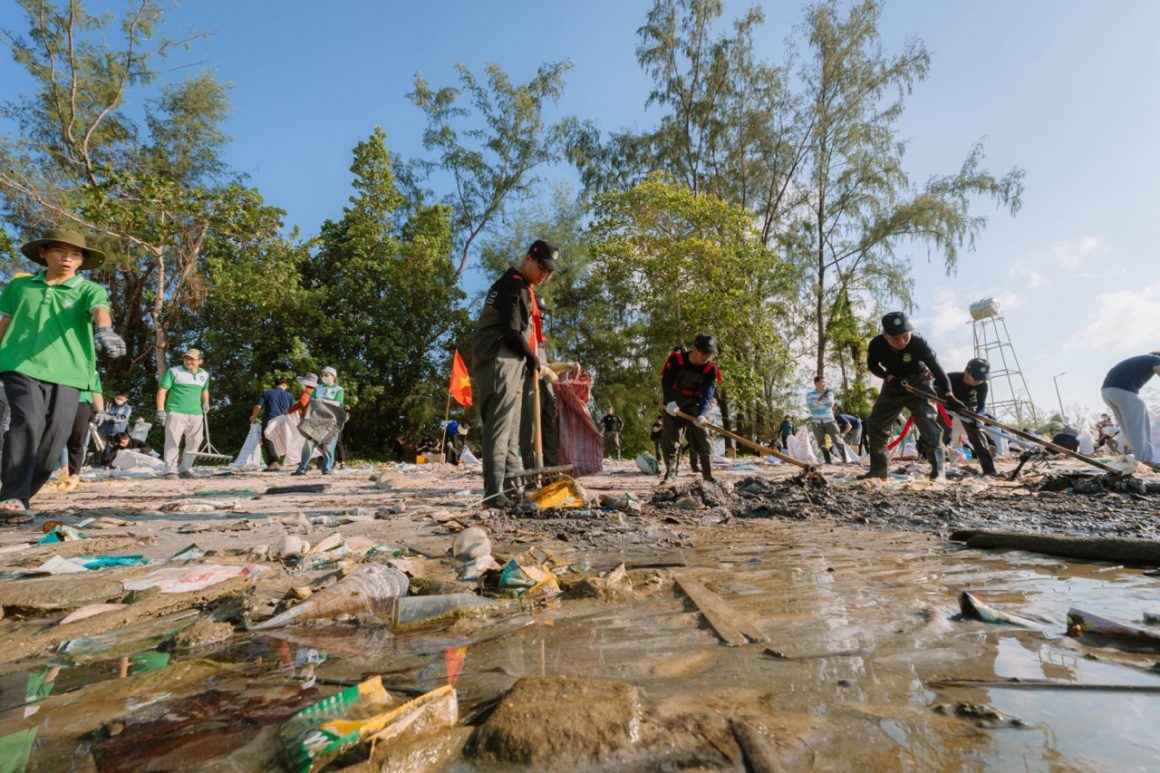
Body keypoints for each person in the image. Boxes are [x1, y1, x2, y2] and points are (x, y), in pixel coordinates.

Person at [0, 228, 125, 520]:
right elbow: (5, 322)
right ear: (44, 253)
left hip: (69, 371)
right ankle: (12, 495)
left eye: (75, 254)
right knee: (27, 422)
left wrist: (105, 330)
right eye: (59, 251)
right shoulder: (20, 287)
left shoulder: (88, 289)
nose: (67, 258)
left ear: (82, 260)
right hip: (20, 364)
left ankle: (20, 497)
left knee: (56, 437)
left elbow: (99, 310)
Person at [472, 239, 560, 507]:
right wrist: (533, 358)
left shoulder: (524, 287)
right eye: (541, 268)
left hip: (513, 363)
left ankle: (510, 491)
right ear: (528, 258)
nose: (544, 275)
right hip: (499, 360)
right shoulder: (513, 284)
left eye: (549, 272)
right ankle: (492, 494)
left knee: (511, 435)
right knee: (499, 430)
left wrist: (532, 361)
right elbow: (510, 331)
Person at [861, 311, 952, 482]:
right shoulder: (876, 345)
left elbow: (937, 369)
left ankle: (939, 471)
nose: (902, 341)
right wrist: (889, 378)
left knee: (929, 424)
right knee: (876, 424)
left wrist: (949, 393)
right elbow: (873, 366)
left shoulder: (919, 343)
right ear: (886, 335)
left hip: (919, 383)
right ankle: (878, 470)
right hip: (893, 384)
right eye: (896, 338)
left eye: (905, 336)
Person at [660, 334, 721, 484]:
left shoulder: (711, 369)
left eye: (711, 353)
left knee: (702, 435)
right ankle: (670, 472)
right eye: (705, 353)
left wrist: (701, 414)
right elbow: (666, 380)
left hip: (695, 403)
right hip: (675, 400)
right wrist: (670, 402)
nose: (708, 356)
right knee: (670, 437)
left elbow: (708, 394)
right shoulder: (677, 360)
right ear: (695, 348)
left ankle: (707, 474)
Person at [155, 347, 210, 478]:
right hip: (176, 412)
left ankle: (185, 468)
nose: (188, 361)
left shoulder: (205, 375)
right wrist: (160, 410)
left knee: (196, 440)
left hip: (196, 413)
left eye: (192, 359)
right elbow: (162, 391)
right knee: (173, 441)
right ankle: (170, 470)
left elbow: (204, 390)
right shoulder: (174, 371)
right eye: (186, 358)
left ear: (200, 361)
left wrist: (206, 401)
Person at [1100, 351, 1160, 470]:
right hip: (1122, 391)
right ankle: (1146, 461)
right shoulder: (1155, 359)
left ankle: (1138, 459)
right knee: (1140, 427)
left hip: (1107, 392)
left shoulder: (1143, 359)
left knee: (1128, 429)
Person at [944, 357, 998, 476]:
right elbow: (931, 389)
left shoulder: (983, 385)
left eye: (982, 378)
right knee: (940, 433)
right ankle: (937, 468)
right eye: (976, 377)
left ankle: (989, 470)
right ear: (967, 372)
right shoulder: (950, 378)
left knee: (978, 436)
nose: (979, 381)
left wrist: (977, 417)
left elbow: (981, 406)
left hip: (968, 408)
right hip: (947, 405)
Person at [294, 366, 346, 475]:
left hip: (331, 422)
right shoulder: (318, 388)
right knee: (308, 444)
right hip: (315, 421)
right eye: (323, 375)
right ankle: (302, 469)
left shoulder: (339, 390)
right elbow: (312, 401)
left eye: (327, 375)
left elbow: (337, 403)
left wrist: (321, 400)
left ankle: (327, 469)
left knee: (329, 446)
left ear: (333, 377)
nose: (324, 377)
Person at [61, 372, 105, 488]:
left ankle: (74, 475)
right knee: (53, 439)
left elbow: (96, 391)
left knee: (77, 441)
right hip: (59, 402)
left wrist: (100, 410)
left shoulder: (92, 371)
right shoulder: (60, 363)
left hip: (82, 405)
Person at [251, 377, 294, 471]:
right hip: (284, 420)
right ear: (284, 385)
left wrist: (253, 418)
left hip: (270, 419)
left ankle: (273, 462)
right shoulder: (289, 395)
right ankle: (299, 461)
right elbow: (293, 410)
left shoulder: (267, 393)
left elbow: (258, 406)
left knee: (267, 440)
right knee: (287, 440)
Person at [806, 376, 850, 464]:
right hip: (816, 422)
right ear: (816, 383)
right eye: (822, 382)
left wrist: (818, 402)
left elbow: (829, 404)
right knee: (821, 443)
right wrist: (822, 397)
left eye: (825, 382)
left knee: (837, 439)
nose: (824, 384)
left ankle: (845, 460)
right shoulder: (810, 394)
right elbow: (811, 406)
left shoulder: (829, 393)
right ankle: (828, 461)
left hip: (829, 420)